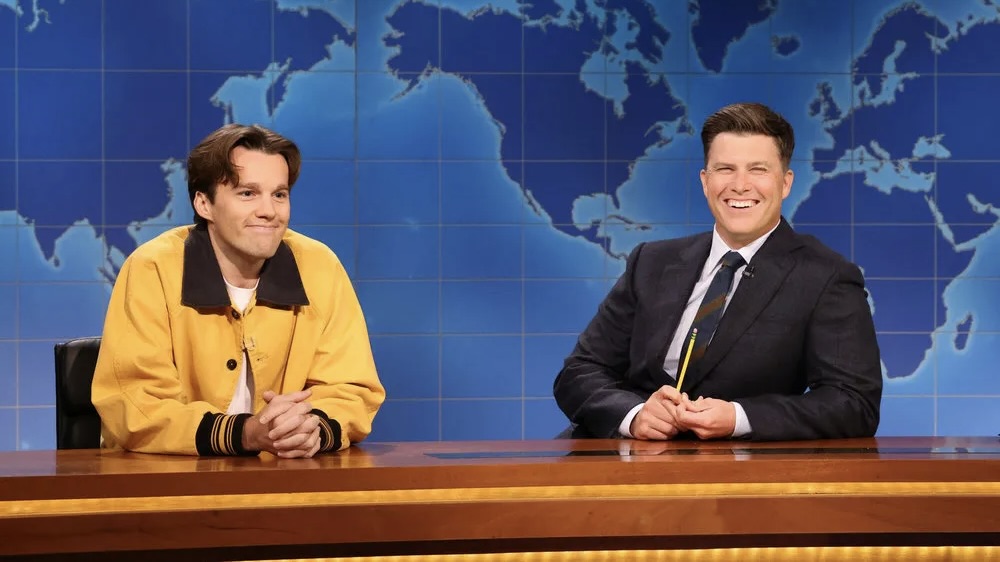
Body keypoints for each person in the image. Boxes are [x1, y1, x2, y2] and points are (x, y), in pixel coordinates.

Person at [554, 102, 882, 441]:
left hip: (739, 465)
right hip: (624, 458)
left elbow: (854, 403)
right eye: (725, 169)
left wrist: (738, 417)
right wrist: (634, 415)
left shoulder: (827, 277)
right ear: (705, 181)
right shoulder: (651, 262)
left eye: (758, 170)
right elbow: (580, 371)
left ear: (785, 183)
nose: (740, 185)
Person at [92, 124, 385, 457]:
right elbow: (135, 403)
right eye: (248, 193)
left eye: (279, 194)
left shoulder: (319, 267)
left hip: (281, 478)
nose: (269, 211)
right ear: (204, 204)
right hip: (170, 477)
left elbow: (351, 390)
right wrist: (245, 433)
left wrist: (310, 428)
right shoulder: (153, 269)